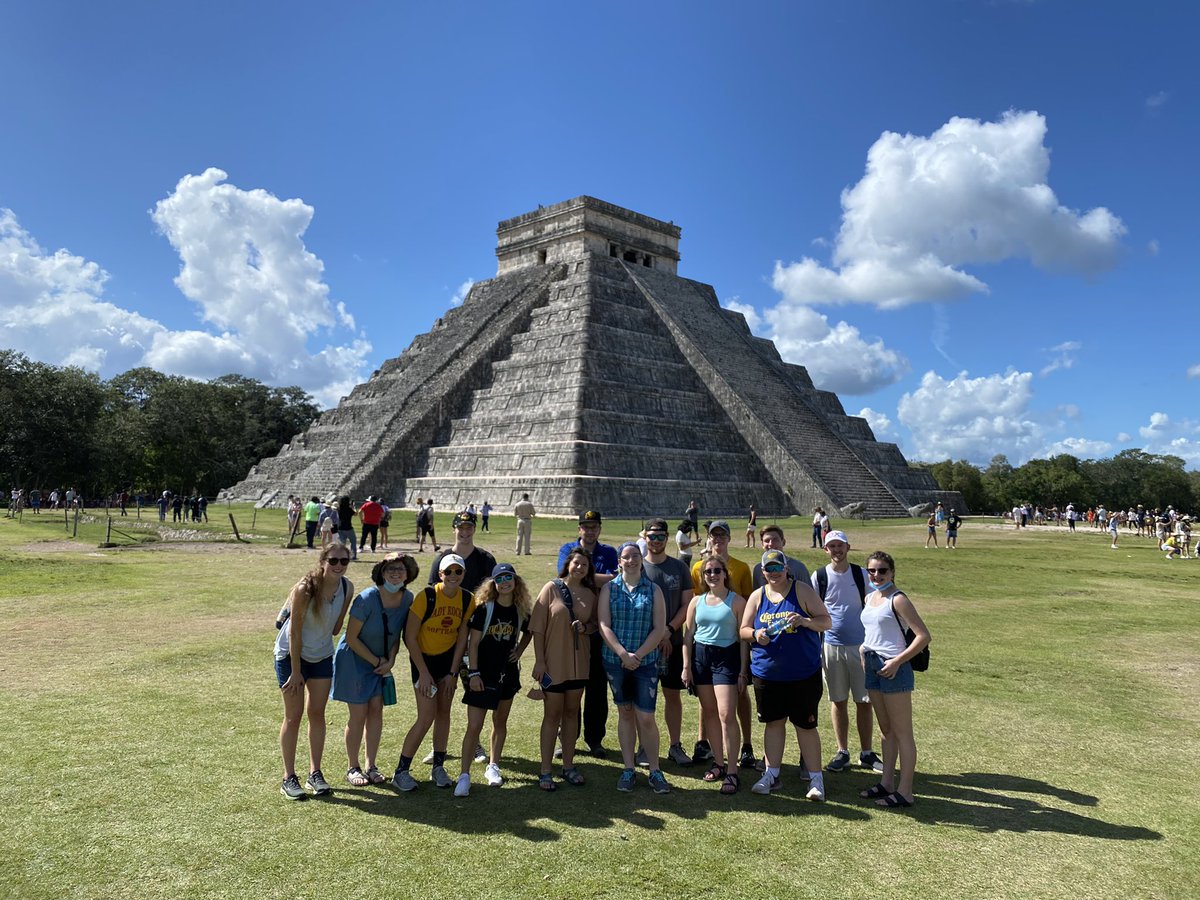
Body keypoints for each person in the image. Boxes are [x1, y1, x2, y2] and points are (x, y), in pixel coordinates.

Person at [741, 549, 831, 800]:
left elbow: (826, 621)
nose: (774, 573)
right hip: (767, 675)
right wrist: (755, 635)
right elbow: (744, 629)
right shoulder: (758, 596)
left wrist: (804, 621)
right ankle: (771, 775)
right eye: (769, 569)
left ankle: (816, 780)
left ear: (786, 568)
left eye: (778, 567)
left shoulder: (801, 590)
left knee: (806, 726)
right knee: (773, 723)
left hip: (803, 674)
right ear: (763, 572)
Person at [274, 543, 354, 799]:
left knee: (317, 713)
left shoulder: (347, 588)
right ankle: (288, 777)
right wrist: (296, 672)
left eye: (344, 561)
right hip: (291, 656)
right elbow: (294, 632)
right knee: (293, 716)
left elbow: (334, 629)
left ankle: (314, 773)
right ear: (323, 561)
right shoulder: (304, 589)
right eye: (333, 561)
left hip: (321, 655)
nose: (339, 566)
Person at [331, 552, 416, 786]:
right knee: (358, 714)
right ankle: (353, 767)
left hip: (380, 662)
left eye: (400, 569)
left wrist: (391, 659)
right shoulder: (367, 598)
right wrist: (378, 662)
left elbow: (398, 634)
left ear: (408, 574)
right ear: (381, 573)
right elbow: (351, 638)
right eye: (390, 569)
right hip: (355, 660)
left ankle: (371, 765)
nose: (396, 573)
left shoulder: (408, 599)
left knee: (376, 709)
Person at [391, 554, 475, 791]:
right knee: (426, 715)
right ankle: (401, 771)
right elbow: (409, 636)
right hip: (423, 661)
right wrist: (423, 673)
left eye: (458, 572)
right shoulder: (426, 596)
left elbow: (462, 639)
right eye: (448, 572)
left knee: (444, 713)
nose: (453, 576)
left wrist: (452, 673)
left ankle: (438, 767)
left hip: (448, 663)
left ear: (463, 575)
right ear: (440, 574)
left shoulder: (468, 600)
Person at [859, 551, 930, 809]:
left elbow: (923, 636)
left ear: (892, 572)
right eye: (872, 571)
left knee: (902, 734)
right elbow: (873, 631)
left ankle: (905, 791)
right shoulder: (870, 597)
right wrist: (863, 650)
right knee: (886, 730)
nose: (876, 575)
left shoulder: (898, 599)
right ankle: (886, 783)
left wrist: (897, 661)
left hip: (894, 668)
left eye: (882, 571)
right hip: (873, 665)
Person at [455, 563, 533, 796]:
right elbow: (473, 644)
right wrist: (474, 674)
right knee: (474, 726)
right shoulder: (484, 609)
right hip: (482, 675)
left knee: (500, 722)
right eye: (500, 579)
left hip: (507, 674)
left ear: (515, 581)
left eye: (509, 577)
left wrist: (519, 650)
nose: (505, 582)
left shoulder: (520, 610)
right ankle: (464, 775)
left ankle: (493, 766)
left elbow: (530, 631)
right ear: (494, 583)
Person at [598, 542, 670, 793]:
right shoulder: (609, 588)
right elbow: (604, 624)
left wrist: (637, 655)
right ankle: (628, 768)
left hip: (645, 662)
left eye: (635, 556)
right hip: (615, 660)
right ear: (619, 561)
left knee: (646, 717)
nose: (631, 560)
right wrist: (621, 653)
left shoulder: (654, 590)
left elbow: (659, 628)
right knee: (625, 712)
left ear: (641, 559)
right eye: (626, 557)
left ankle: (654, 770)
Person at [811, 530, 882, 774]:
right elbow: (813, 610)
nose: (836, 550)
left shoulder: (861, 574)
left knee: (864, 701)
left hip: (861, 647)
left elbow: (876, 604)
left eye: (840, 545)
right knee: (838, 700)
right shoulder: (819, 576)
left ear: (848, 547)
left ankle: (866, 752)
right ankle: (842, 751)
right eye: (832, 546)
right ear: (826, 550)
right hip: (831, 645)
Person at [690, 520, 757, 769]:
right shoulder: (698, 567)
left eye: (722, 536)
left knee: (738, 696)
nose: (717, 540)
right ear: (708, 538)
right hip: (707, 642)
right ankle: (703, 741)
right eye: (713, 536)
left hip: (732, 640)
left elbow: (749, 603)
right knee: (707, 700)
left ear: (729, 538)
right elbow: (698, 599)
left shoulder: (741, 567)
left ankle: (746, 745)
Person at [531, 549, 598, 791]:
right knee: (552, 715)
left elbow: (595, 626)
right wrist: (539, 661)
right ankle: (545, 770)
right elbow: (537, 628)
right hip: (553, 664)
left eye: (585, 565)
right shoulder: (551, 588)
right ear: (568, 564)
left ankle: (568, 765)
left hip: (579, 665)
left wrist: (586, 627)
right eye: (576, 563)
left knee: (572, 714)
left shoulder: (591, 595)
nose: (580, 568)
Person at [681, 555, 747, 793]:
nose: (712, 575)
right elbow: (687, 637)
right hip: (701, 659)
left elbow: (742, 640)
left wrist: (742, 671)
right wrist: (686, 666)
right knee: (709, 712)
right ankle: (718, 762)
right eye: (708, 572)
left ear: (725, 574)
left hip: (726, 658)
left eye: (717, 571)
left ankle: (732, 771)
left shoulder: (737, 602)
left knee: (726, 714)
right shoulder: (696, 602)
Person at [558, 510, 619, 757]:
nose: (590, 531)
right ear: (579, 529)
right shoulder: (568, 549)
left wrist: (584, 576)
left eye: (594, 527)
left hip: (599, 630)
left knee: (596, 688)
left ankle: (595, 740)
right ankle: (567, 739)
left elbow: (616, 580)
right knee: (570, 685)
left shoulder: (609, 552)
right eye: (586, 527)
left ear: (599, 529)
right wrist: (600, 579)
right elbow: (564, 577)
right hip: (573, 631)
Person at [640, 518, 694, 767]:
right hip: (643, 645)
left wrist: (668, 630)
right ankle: (644, 746)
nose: (657, 541)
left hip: (671, 642)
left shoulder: (679, 568)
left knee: (672, 696)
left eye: (661, 536)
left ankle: (674, 745)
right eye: (652, 536)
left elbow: (687, 605)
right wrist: (654, 637)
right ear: (645, 537)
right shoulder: (637, 568)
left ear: (667, 537)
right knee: (643, 698)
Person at [430, 511, 497, 593]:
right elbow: (434, 592)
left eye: (469, 528)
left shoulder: (486, 559)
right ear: (454, 529)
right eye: (460, 528)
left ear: (474, 529)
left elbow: (494, 591)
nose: (465, 532)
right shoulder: (441, 559)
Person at [336, 496, 358, 560]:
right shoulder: (349, 509)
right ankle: (353, 556)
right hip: (348, 527)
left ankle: (341, 555)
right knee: (353, 541)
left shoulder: (338, 508)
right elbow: (356, 514)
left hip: (340, 527)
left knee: (342, 543)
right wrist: (353, 506)